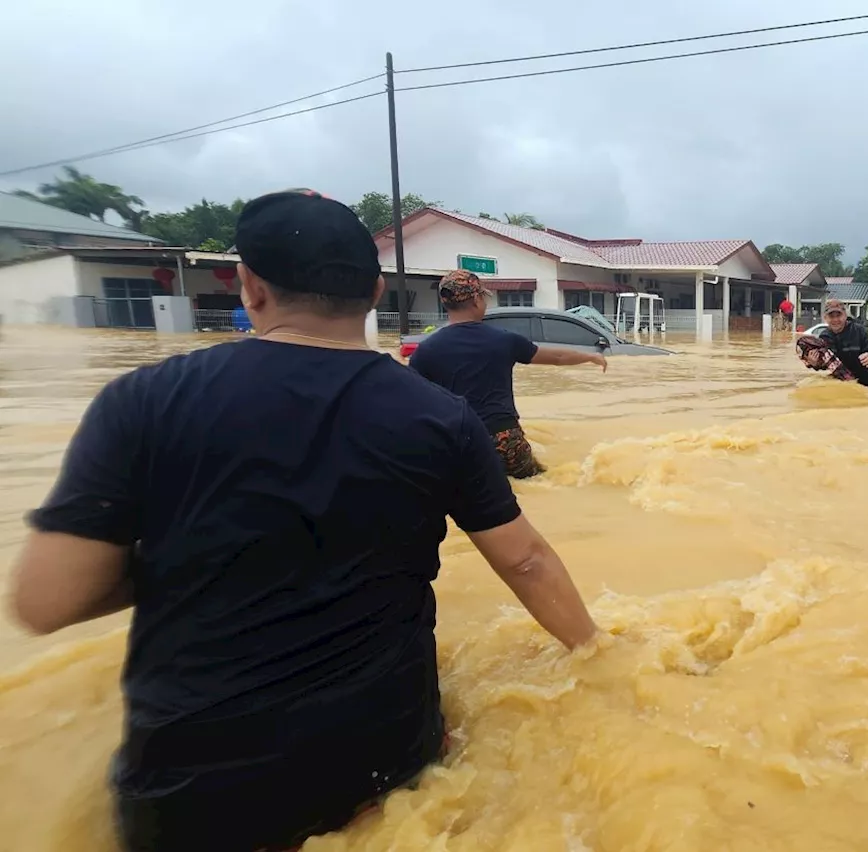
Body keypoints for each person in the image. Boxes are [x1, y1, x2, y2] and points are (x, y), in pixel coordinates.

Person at [7, 189, 599, 852]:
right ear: (375, 291)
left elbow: (47, 601)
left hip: (186, 796)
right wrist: (600, 656)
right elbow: (525, 560)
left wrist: (202, 550)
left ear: (249, 286)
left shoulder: (140, 402)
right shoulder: (438, 416)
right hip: (388, 763)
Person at [409, 270, 606, 479]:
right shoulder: (504, 340)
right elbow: (556, 357)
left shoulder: (426, 350)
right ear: (476, 299)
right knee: (540, 482)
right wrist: (589, 356)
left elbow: (412, 403)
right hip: (504, 439)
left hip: (456, 442)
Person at [817, 298, 868, 389]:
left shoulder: (860, 331)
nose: (835, 320)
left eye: (838, 315)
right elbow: (823, 364)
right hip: (839, 387)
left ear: (845, 315)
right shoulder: (824, 337)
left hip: (865, 385)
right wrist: (815, 362)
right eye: (831, 316)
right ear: (825, 318)